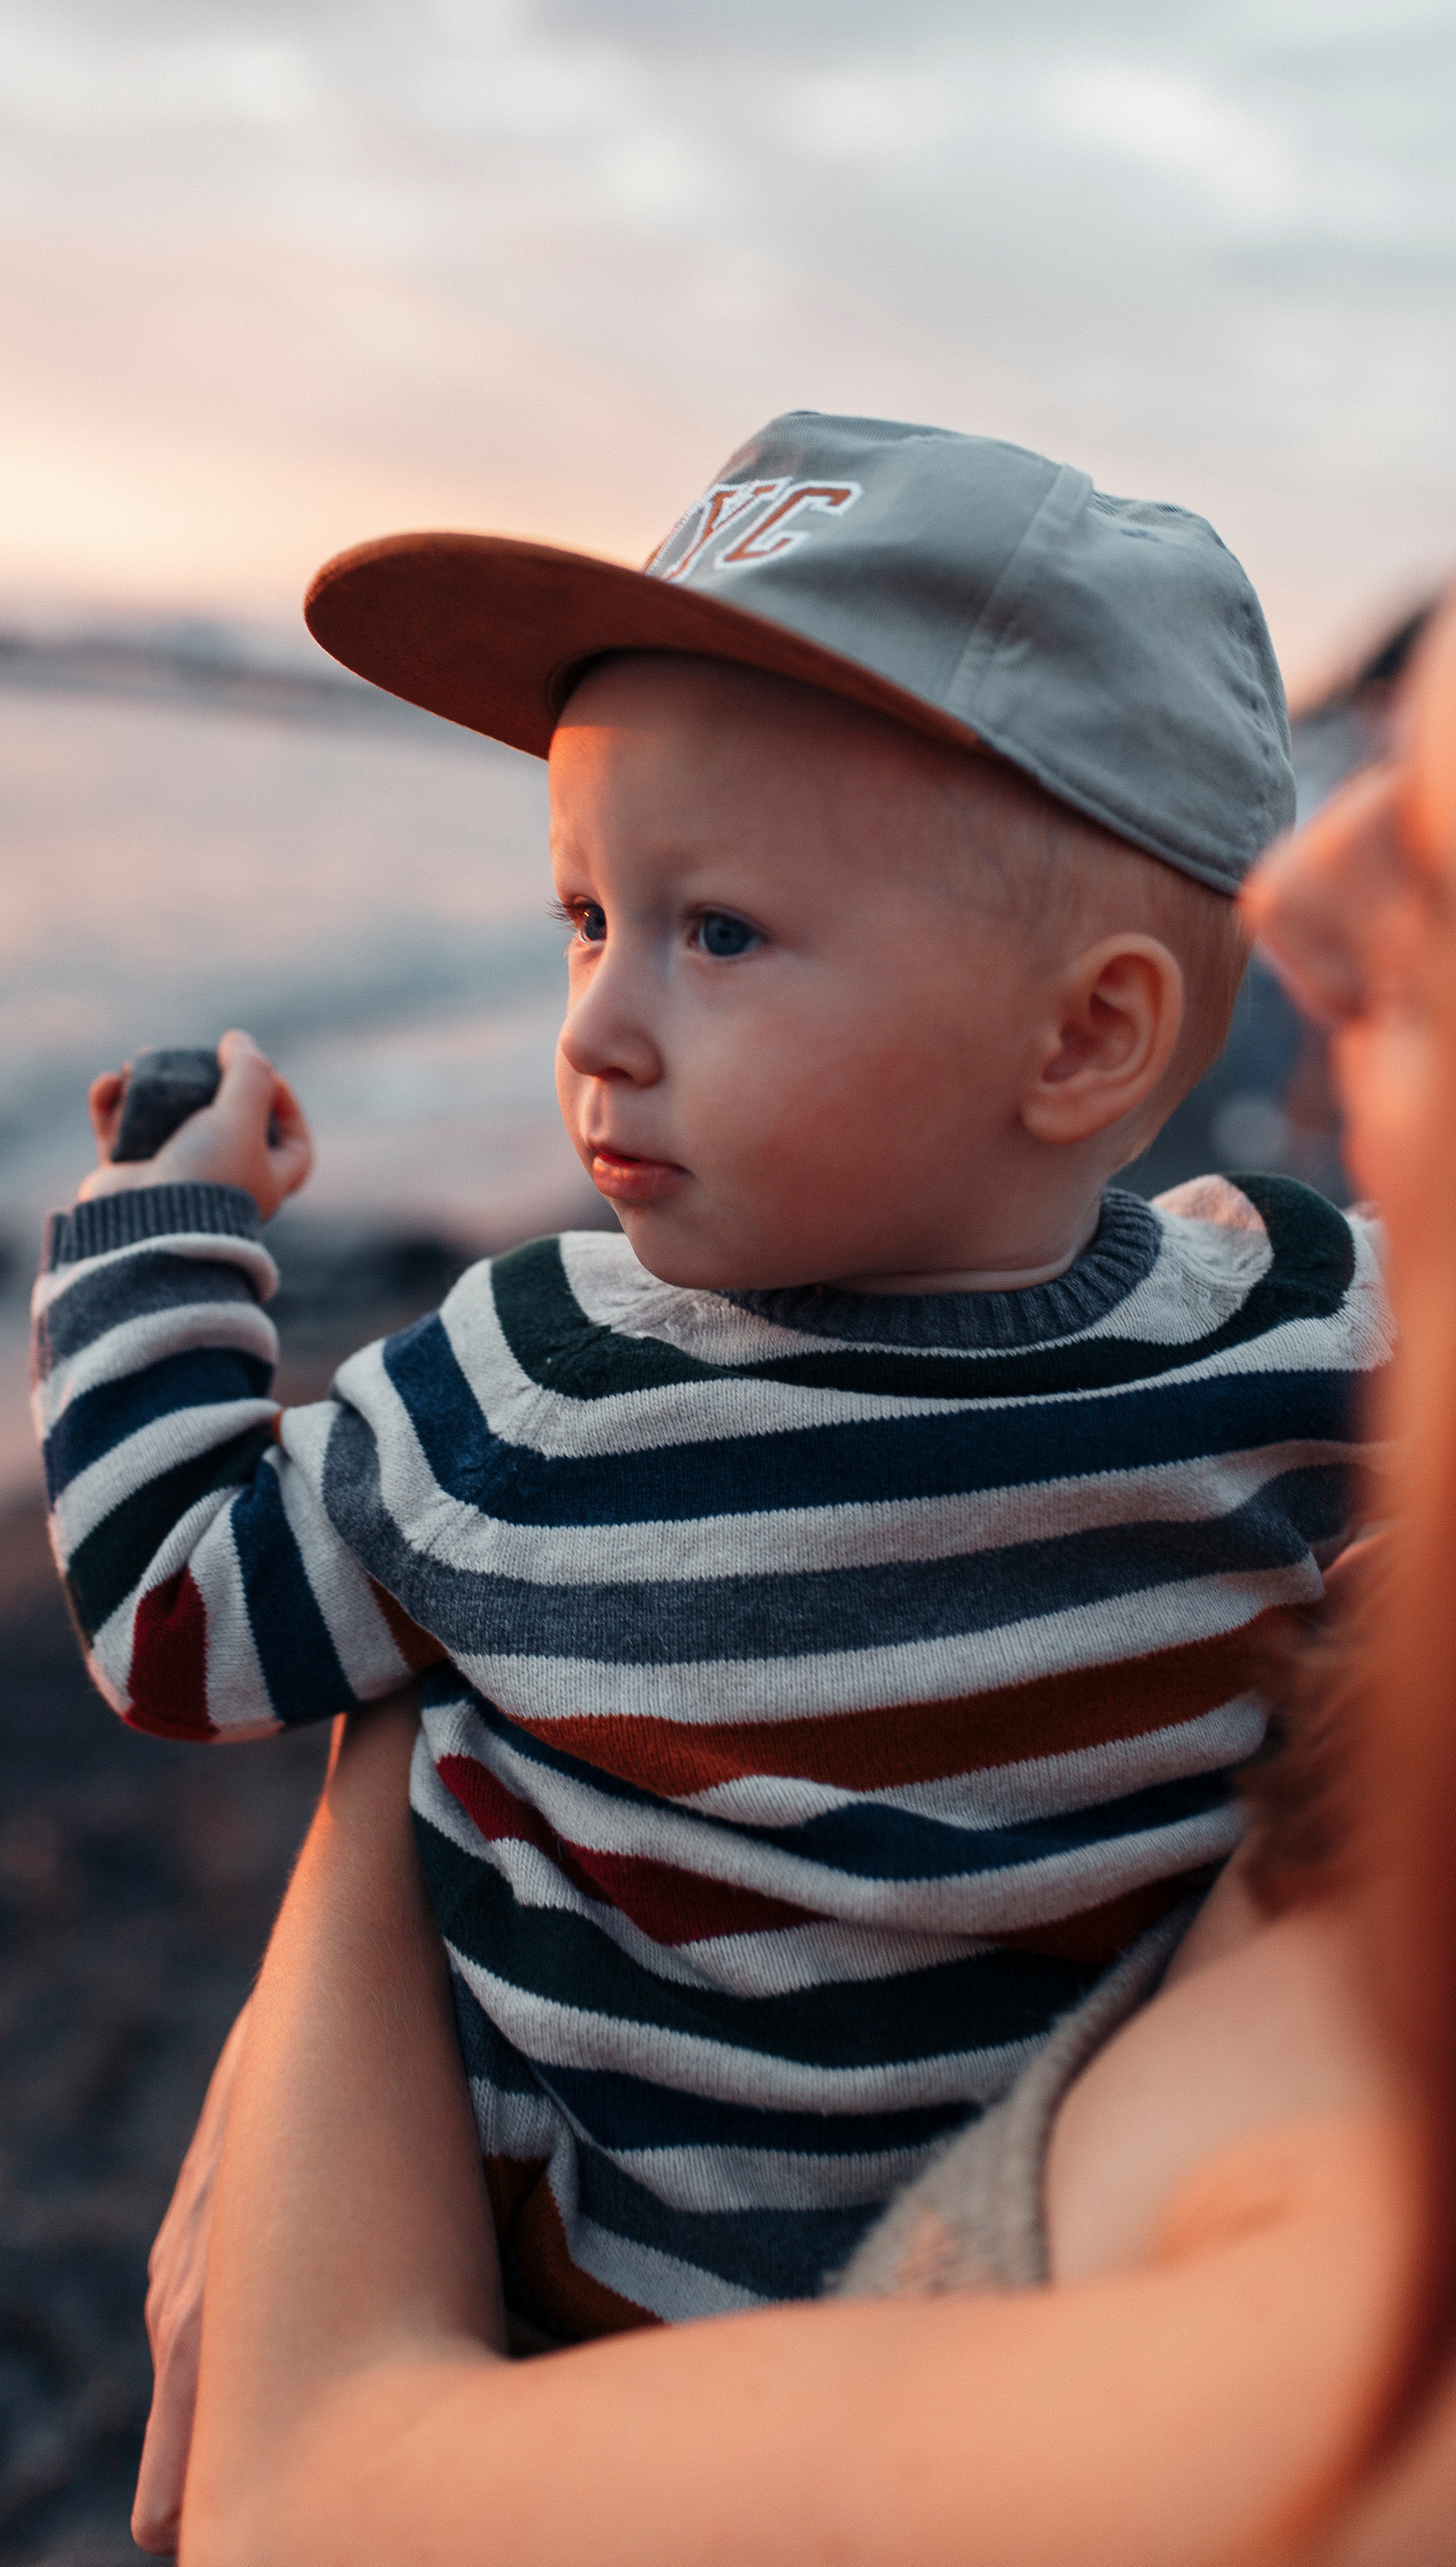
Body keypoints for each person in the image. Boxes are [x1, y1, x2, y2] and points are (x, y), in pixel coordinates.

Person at [133, 592, 1456, 2565]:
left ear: (1094, 1034)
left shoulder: (530, 1394)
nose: (1324, 886)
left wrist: (166, 1245)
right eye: (582, 920)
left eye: (720, 928)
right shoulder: (1297, 1333)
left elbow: (286, 2500)